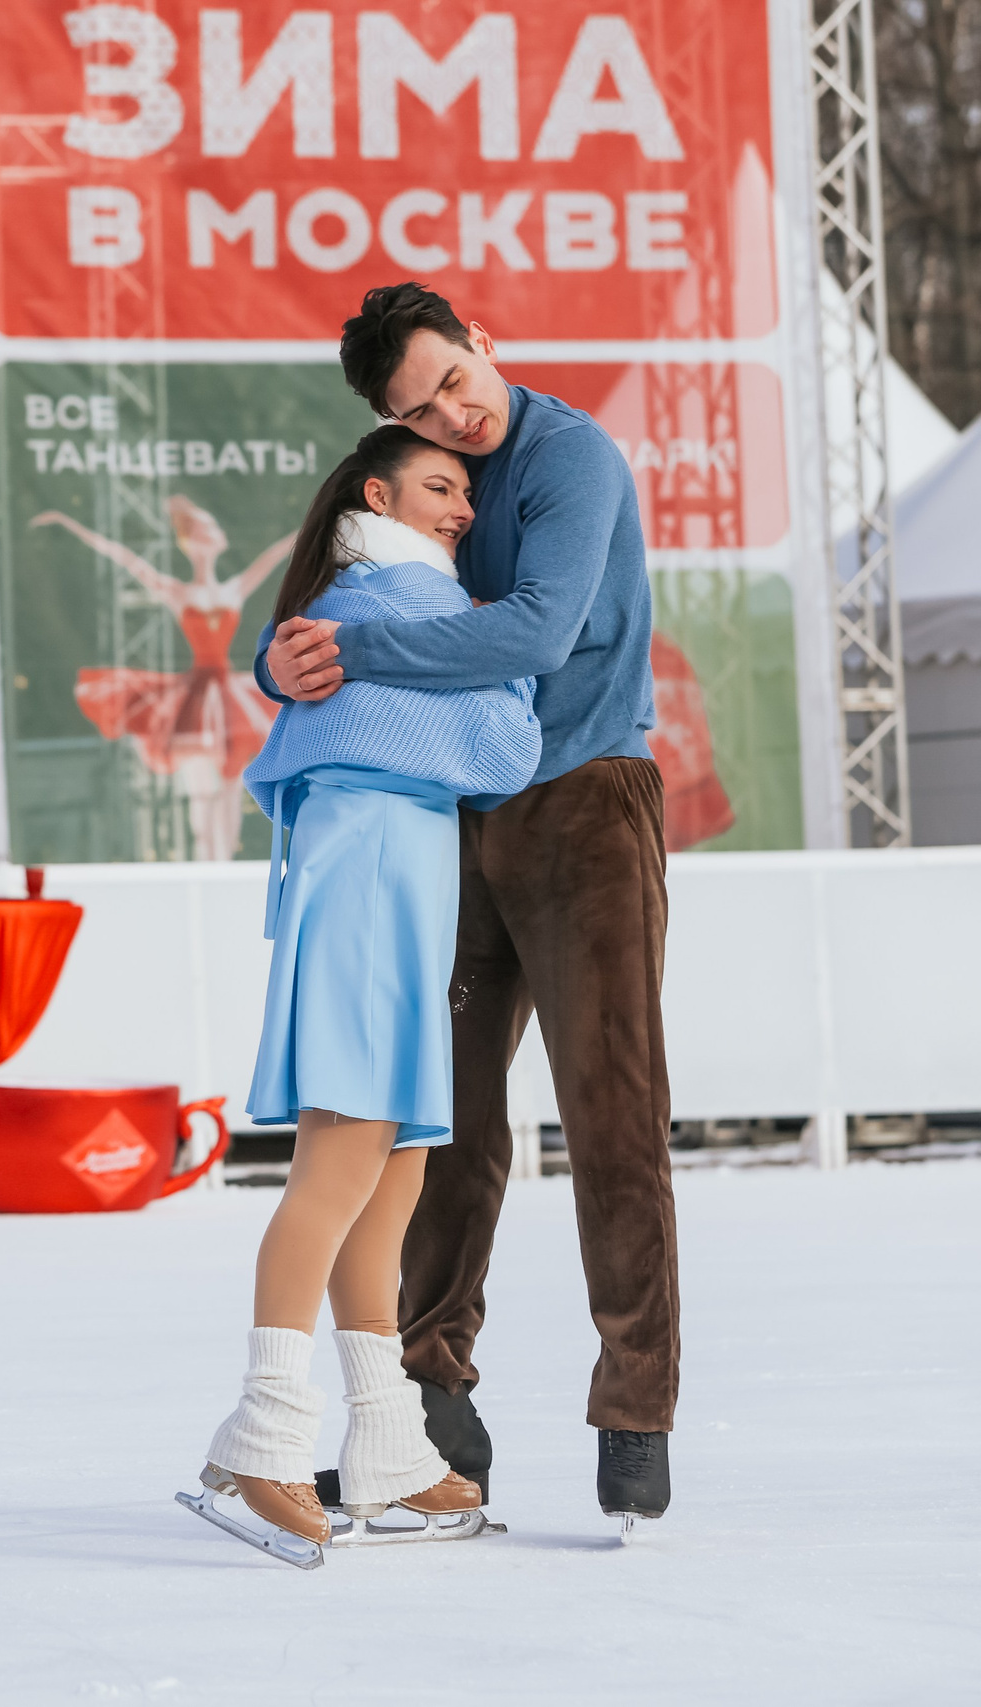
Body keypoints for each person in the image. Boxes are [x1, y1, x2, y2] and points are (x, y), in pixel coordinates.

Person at [261, 283, 678, 1531]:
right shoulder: (429, 480)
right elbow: (333, 598)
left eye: (454, 378)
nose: (454, 413)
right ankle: (423, 1410)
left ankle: (634, 1409)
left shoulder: (568, 457)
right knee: (436, 1125)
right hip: (451, 815)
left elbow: (540, 631)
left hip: (585, 802)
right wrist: (282, 653)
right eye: (420, 410)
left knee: (612, 1109)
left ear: (482, 343)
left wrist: (351, 657)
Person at [186, 426, 537, 1562]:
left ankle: (384, 1431)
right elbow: (505, 744)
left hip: (395, 873)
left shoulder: (364, 602)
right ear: (377, 494)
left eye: (465, 492)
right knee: (345, 1161)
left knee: (393, 1170)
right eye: (439, 487)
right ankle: (268, 1428)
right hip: (374, 873)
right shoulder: (401, 603)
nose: (461, 509)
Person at [32, 496, 292, 861]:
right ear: (192, 542)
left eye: (211, 530)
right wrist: (68, 522)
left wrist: (331, 508)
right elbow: (123, 557)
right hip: (199, 696)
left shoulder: (233, 587)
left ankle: (224, 859)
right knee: (201, 785)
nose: (210, 536)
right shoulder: (178, 591)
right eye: (203, 530)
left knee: (232, 782)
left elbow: (280, 551)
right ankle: (207, 859)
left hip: (227, 694)